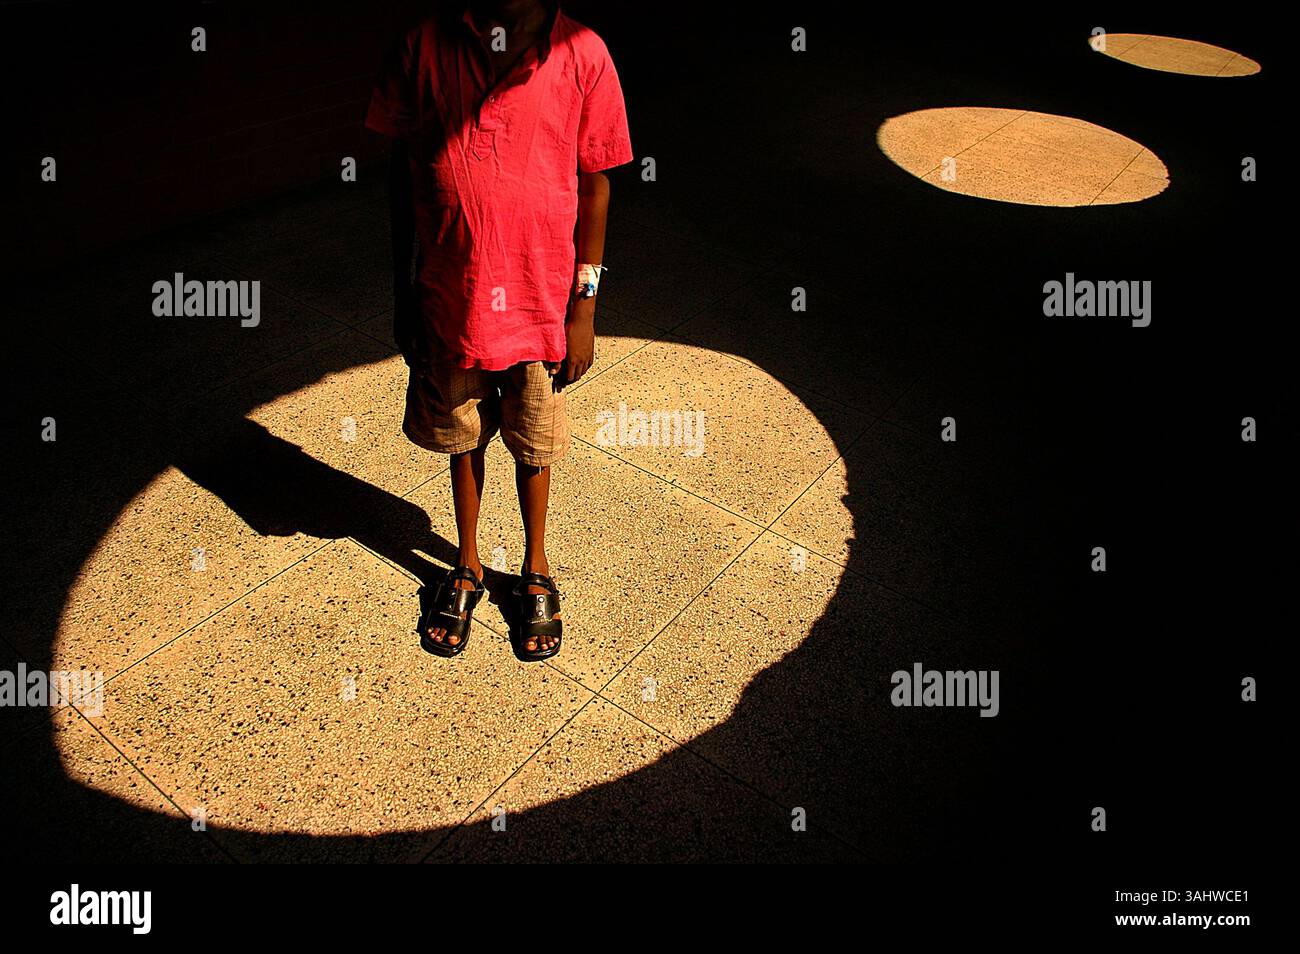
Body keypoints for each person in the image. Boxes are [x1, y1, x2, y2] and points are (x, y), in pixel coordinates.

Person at [364, 0, 633, 660]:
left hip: (542, 302)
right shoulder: (423, 46)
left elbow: (596, 186)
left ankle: (536, 566)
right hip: (451, 297)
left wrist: (585, 308)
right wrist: (404, 289)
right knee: (464, 434)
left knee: (533, 439)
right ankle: (468, 563)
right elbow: (401, 177)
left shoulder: (583, 54)